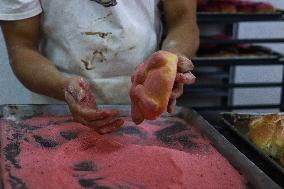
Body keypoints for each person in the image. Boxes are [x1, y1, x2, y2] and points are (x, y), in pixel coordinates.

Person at [0, 0, 199, 134]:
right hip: (58, 104)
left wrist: (170, 64)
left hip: (145, 101)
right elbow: (22, 48)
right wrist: (63, 86)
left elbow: (183, 23)